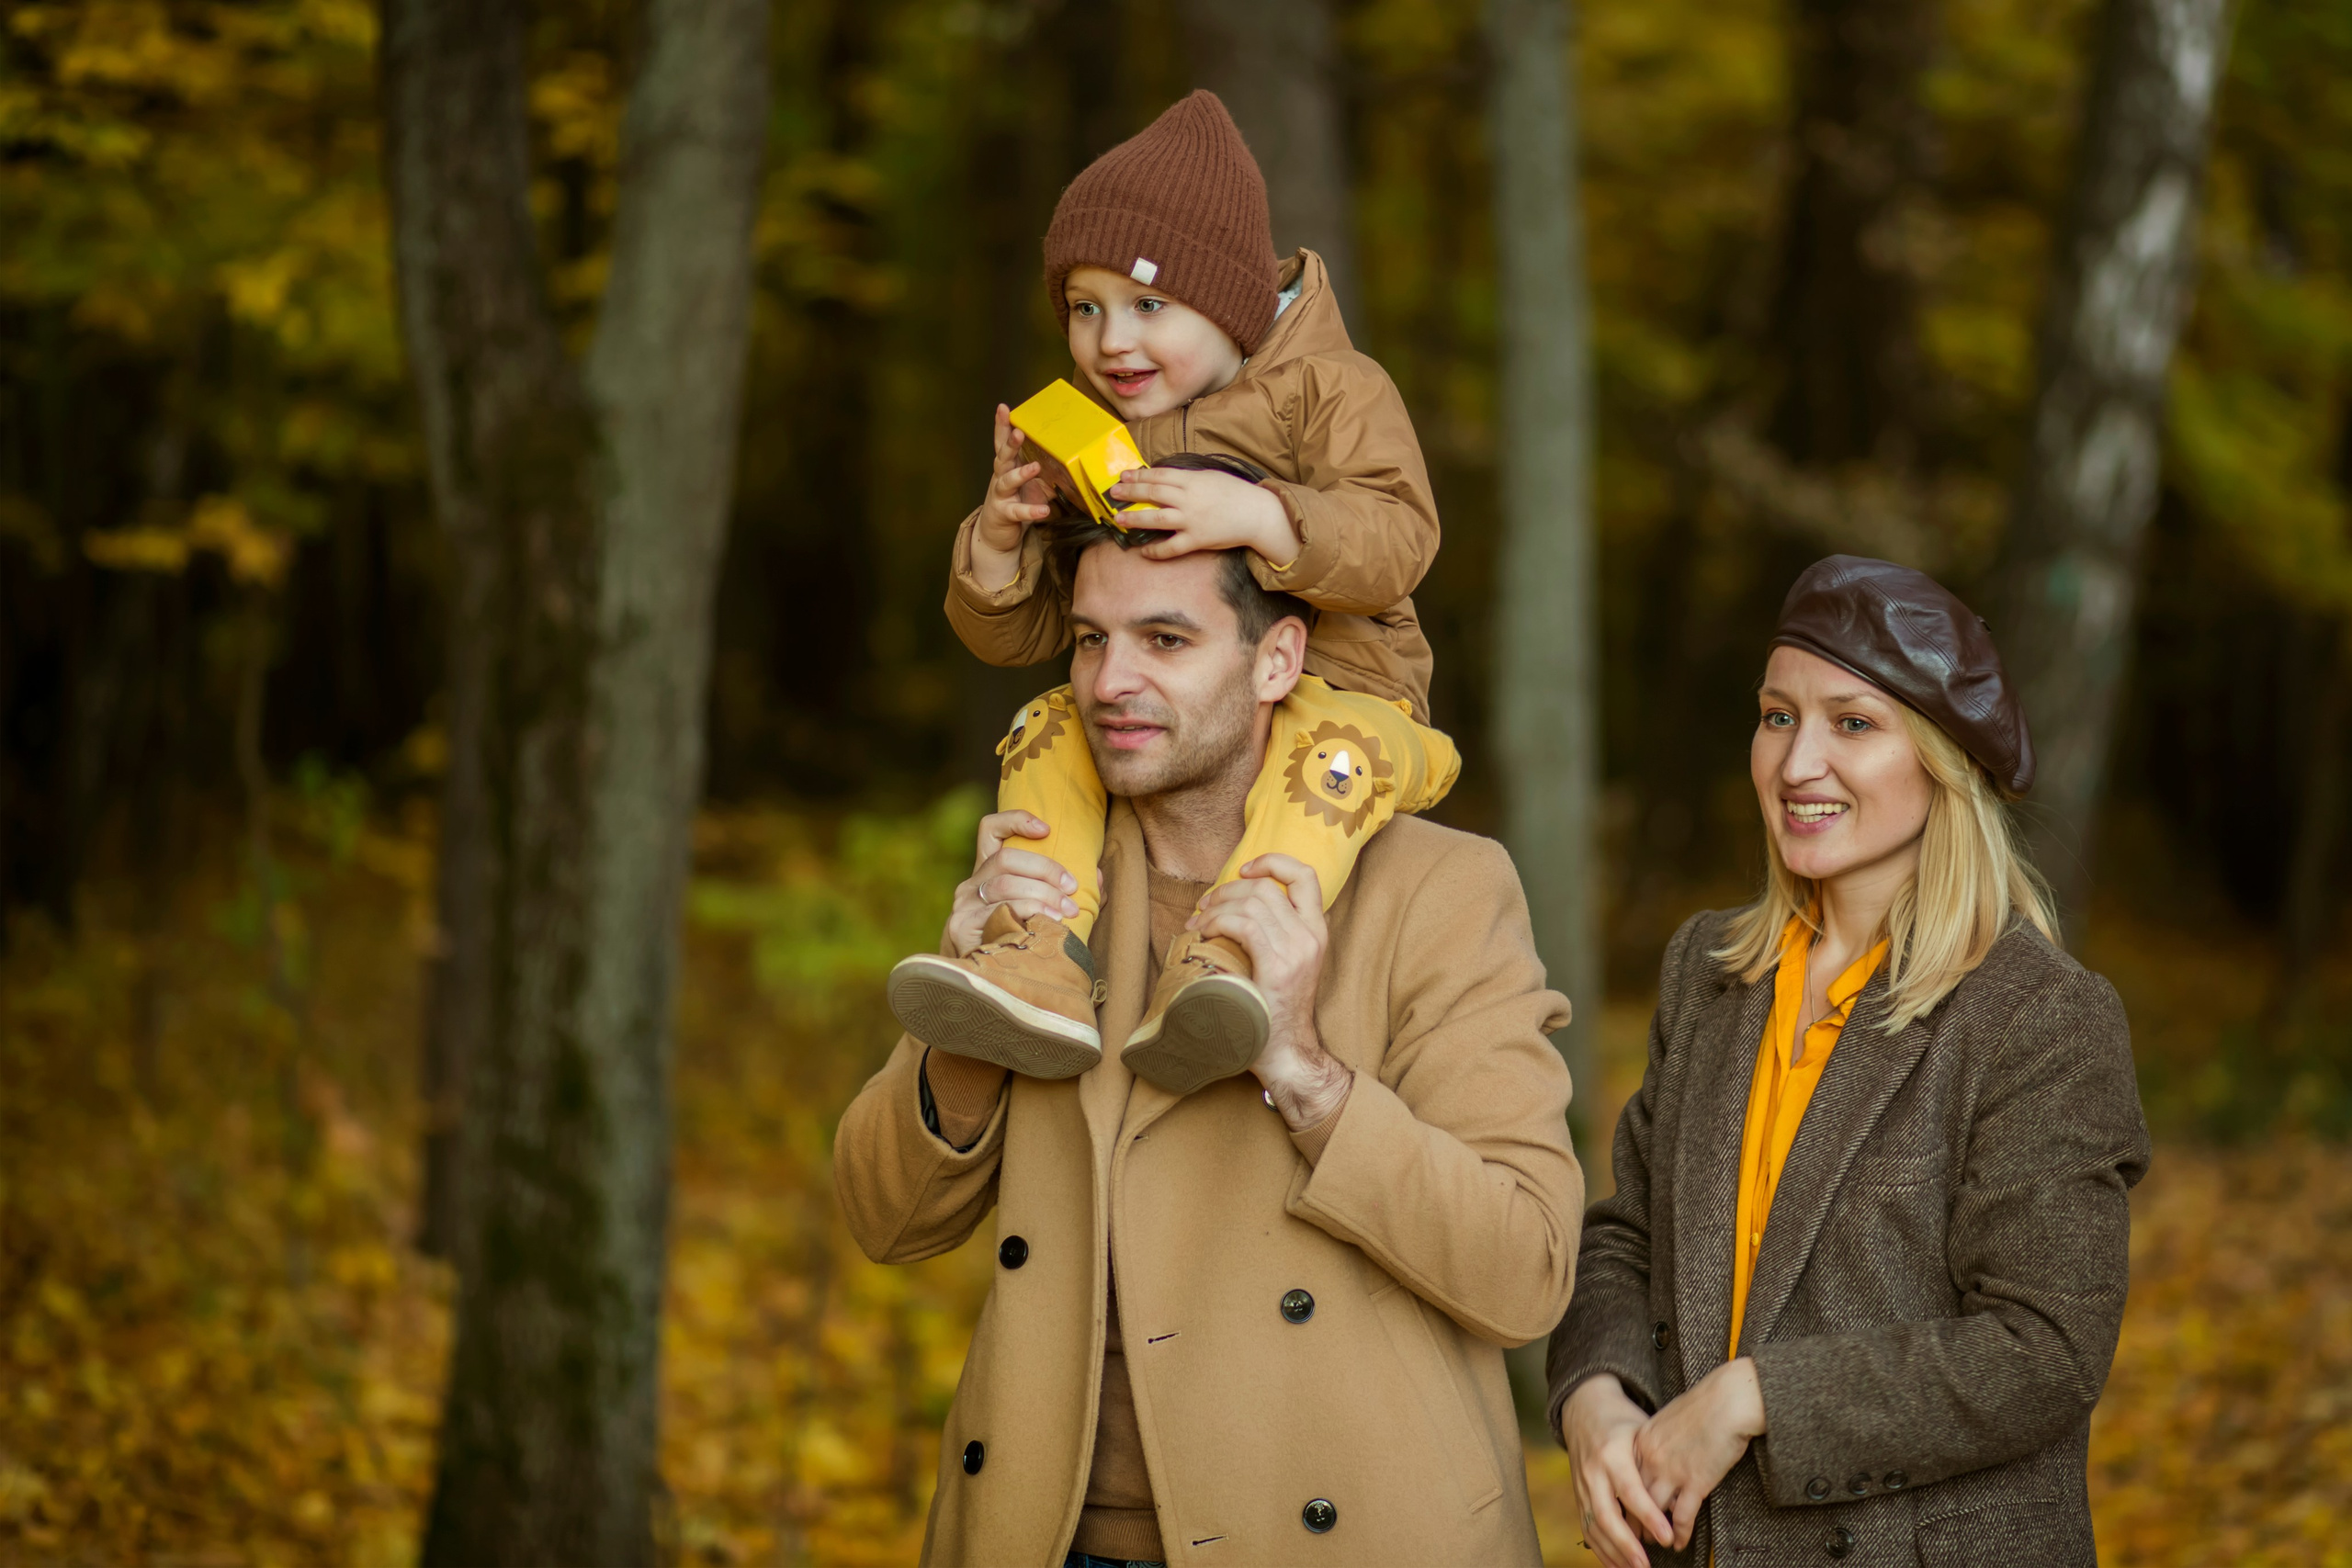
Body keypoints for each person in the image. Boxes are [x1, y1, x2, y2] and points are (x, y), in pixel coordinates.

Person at [835, 534, 1583, 1567]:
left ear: (1276, 660)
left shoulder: (1437, 888)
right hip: (1039, 1534)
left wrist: (1303, 1070)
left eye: (1165, 638)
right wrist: (974, 1022)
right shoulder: (1048, 868)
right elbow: (884, 1218)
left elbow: (1525, 1271)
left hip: (1343, 1534)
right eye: (1091, 640)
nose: (1111, 681)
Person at [1546, 556, 2151, 1567]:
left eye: (1853, 724)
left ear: (1942, 759)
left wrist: (1754, 1400)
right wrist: (1597, 1402)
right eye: (1777, 716)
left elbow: (2042, 1351)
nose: (1796, 764)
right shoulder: (1709, 971)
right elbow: (1626, 1239)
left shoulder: (2039, 1017)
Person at [886, 89, 1458, 1095]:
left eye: (1150, 306)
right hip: (1185, 724)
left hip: (1352, 699)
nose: (1113, 342)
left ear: (1229, 306)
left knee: (1321, 767)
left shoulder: (1327, 389)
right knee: (1047, 729)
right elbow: (1023, 633)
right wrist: (999, 538)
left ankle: (1227, 964)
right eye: (1085, 308)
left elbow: (1401, 535)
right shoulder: (1095, 435)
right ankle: (1034, 949)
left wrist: (1268, 521)